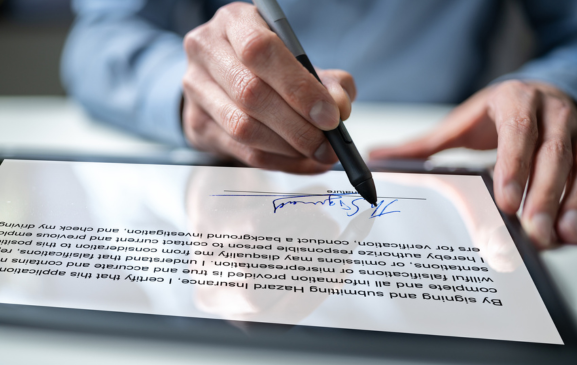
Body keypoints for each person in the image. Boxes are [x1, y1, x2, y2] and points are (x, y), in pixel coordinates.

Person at [61, 0, 577, 248]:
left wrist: (556, 85)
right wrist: (192, 96)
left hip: (444, 176)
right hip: (221, 183)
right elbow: (101, 37)